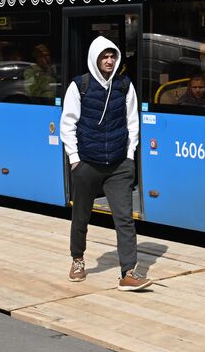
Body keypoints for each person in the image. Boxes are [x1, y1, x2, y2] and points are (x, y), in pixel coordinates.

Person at [60, 36, 150, 290]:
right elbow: (67, 125)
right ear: (95, 59)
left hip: (119, 165)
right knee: (81, 215)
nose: (109, 60)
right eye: (104, 56)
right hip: (87, 163)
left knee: (124, 218)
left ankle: (128, 272)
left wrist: (130, 156)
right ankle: (78, 260)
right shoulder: (80, 86)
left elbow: (133, 122)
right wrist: (75, 160)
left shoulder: (124, 85)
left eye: (112, 56)